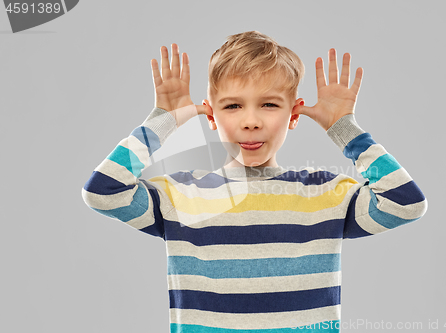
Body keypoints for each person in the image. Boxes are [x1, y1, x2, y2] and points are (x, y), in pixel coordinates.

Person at [82, 31, 427, 332]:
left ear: (293, 114)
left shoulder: (327, 195)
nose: (251, 121)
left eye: (269, 104)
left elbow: (405, 204)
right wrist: (163, 122)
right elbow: (104, 192)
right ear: (210, 115)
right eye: (232, 106)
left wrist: (345, 130)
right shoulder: (180, 196)